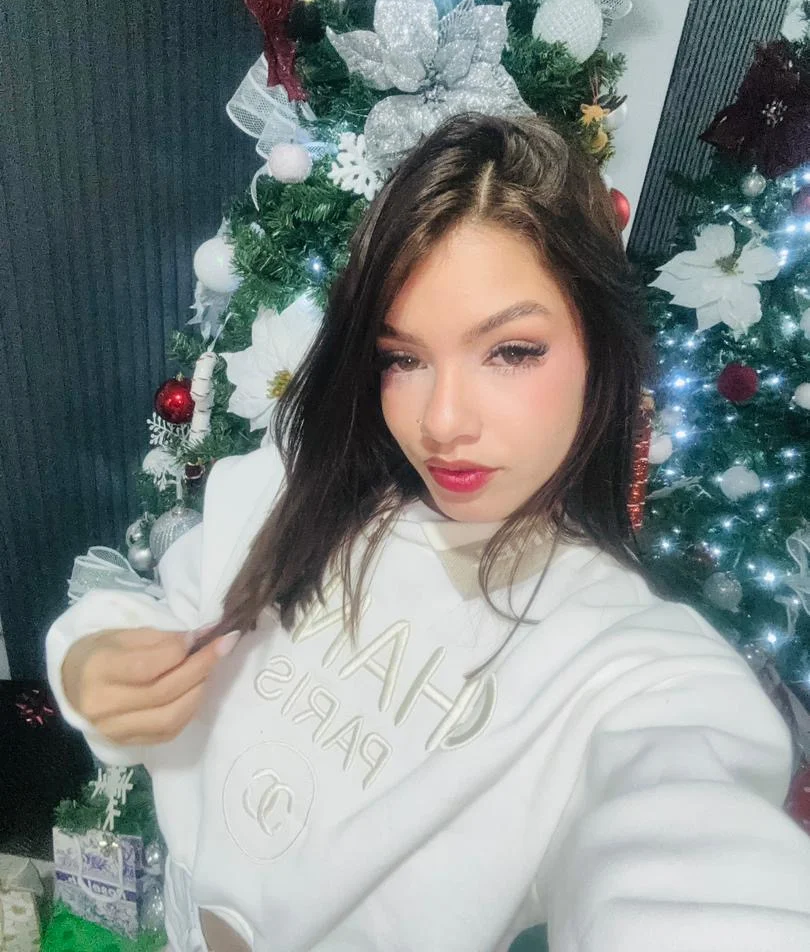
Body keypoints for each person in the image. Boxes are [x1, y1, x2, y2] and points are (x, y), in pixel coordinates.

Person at [47, 114, 810, 952]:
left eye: (511, 351)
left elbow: (688, 844)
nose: (441, 422)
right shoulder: (292, 487)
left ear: (600, 352)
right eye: (402, 359)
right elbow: (173, 612)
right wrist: (90, 659)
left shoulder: (625, 662)